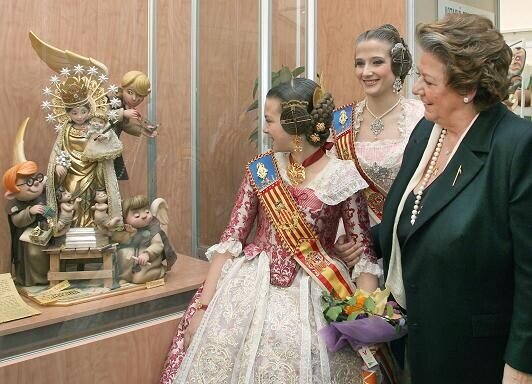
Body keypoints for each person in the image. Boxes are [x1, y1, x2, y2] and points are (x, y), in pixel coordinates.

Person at [159, 78, 381, 384]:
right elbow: (230, 241)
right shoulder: (262, 169)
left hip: (317, 290)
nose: (264, 129)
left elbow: (365, 257)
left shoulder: (343, 176)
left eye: (269, 120)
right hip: (248, 287)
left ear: (294, 126)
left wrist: (363, 319)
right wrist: (203, 308)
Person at [378, 14, 532, 383]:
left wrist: (522, 366)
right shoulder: (426, 132)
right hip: (416, 347)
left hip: (479, 360)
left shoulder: (516, 147)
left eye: (428, 81)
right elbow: (414, 219)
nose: (416, 90)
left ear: (468, 88)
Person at [333, 24, 424, 270]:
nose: (366, 71)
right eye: (359, 63)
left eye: (376, 62)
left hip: (406, 235)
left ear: (398, 65)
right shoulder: (340, 122)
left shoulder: (422, 118)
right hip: (351, 243)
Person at [45, 71, 122, 229]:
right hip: (71, 170)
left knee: (93, 198)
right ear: (68, 114)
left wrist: (103, 138)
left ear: (89, 110)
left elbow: (112, 139)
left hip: (92, 169)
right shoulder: (65, 130)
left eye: (83, 111)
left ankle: (93, 226)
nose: (79, 116)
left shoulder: (95, 125)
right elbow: (59, 150)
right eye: (74, 113)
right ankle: (69, 227)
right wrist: (59, 164)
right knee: (70, 197)